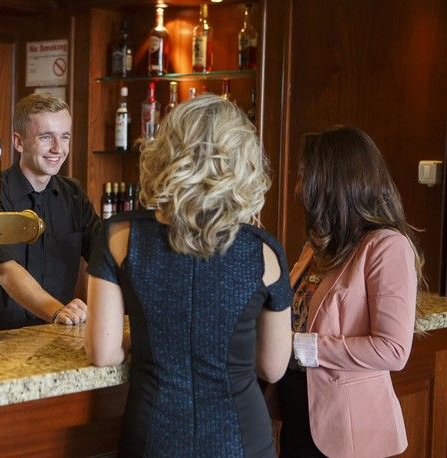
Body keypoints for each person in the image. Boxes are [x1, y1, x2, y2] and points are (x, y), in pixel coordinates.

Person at [84, 93, 293, 457]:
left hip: (154, 436)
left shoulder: (119, 236)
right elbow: (272, 367)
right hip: (240, 439)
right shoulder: (263, 251)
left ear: (166, 153)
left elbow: (104, 352)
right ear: (242, 161)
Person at [276, 126, 422, 458]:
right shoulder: (318, 245)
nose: (298, 189)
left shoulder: (386, 247)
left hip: (347, 433)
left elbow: (392, 350)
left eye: (304, 178)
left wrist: (300, 346)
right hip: (298, 416)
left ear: (331, 185)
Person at [0, 93, 101, 333]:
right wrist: (58, 311)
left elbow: (104, 254)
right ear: (19, 142)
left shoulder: (74, 195)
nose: (58, 148)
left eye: (65, 137)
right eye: (46, 137)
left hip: (55, 337)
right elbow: (4, 269)